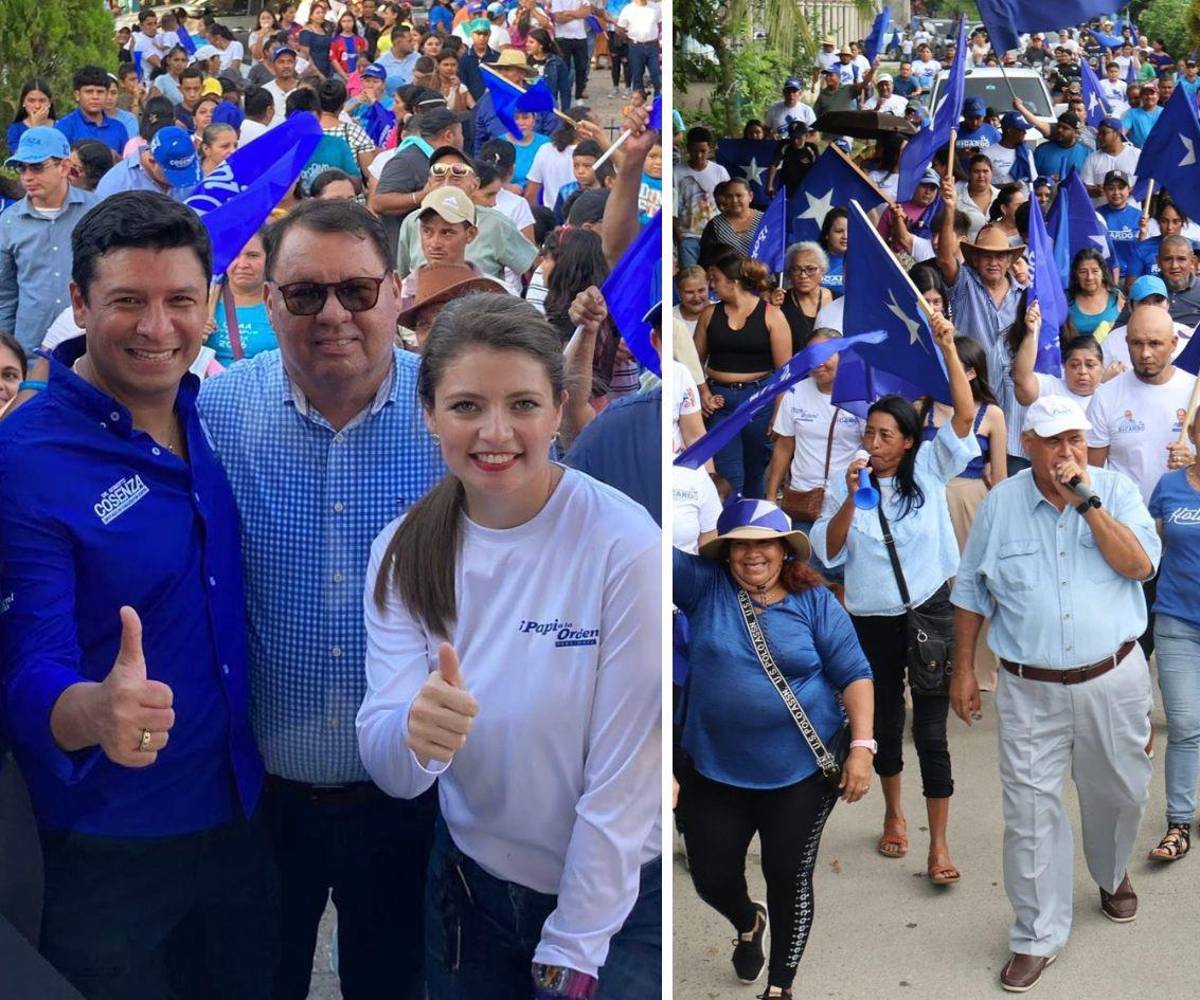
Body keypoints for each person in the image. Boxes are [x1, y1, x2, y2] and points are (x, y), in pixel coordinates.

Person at [0, 190, 274, 998]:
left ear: (209, 301)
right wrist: (90, 710)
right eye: (128, 302)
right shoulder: (25, 459)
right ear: (79, 303)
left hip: (241, 827)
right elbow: (25, 662)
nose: (158, 328)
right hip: (108, 850)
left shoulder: (212, 412)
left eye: (180, 301)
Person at [358, 292, 659, 999]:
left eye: (523, 404)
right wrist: (414, 734)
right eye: (466, 406)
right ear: (428, 413)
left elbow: (624, 781)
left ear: (561, 408)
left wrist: (573, 950)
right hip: (468, 892)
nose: (496, 432)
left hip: (616, 908)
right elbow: (393, 772)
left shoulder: (624, 546)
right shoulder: (401, 553)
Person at [196, 199, 444, 999]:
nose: (333, 313)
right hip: (259, 803)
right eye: (305, 294)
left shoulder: (457, 417)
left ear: (397, 291)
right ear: (268, 302)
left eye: (358, 291)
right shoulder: (215, 411)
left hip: (411, 803)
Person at [950, 394, 1160, 994]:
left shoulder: (1114, 493)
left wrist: (1087, 503)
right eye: (1053, 440)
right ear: (1029, 445)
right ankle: (1036, 934)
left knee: (1119, 793)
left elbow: (1141, 567)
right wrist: (964, 670)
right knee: (1030, 814)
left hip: (1112, 680)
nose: (1066, 451)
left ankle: (1111, 871)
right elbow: (971, 592)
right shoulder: (1000, 505)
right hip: (1027, 686)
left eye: (1074, 438)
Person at [673, 498, 874, 1000]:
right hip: (714, 767)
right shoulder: (703, 586)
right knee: (710, 876)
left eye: (762, 542)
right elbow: (643, 543)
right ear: (724, 553)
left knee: (788, 873)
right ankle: (747, 919)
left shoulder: (816, 602)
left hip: (801, 769)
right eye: (739, 545)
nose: (751, 554)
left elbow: (855, 675)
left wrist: (863, 748)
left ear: (785, 549)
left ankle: (780, 988)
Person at [810, 311, 981, 887]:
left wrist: (946, 347)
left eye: (886, 435)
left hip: (929, 613)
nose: (874, 443)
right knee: (882, 721)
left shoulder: (931, 468)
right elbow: (828, 554)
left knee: (931, 734)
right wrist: (849, 498)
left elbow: (964, 413)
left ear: (909, 441)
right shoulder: (847, 481)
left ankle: (939, 846)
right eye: (870, 433)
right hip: (871, 621)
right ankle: (893, 811)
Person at [1146, 411, 1200, 862]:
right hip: (1177, 620)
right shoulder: (1169, 487)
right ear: (1194, 433)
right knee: (1184, 725)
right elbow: (1149, 542)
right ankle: (1178, 823)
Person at [693, 250, 792, 498]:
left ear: (733, 282)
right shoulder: (709, 314)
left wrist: (779, 412)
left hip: (760, 400)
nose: (712, 285)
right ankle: (729, 527)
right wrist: (702, 393)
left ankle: (751, 529)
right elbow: (694, 362)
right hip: (719, 400)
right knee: (728, 473)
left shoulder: (772, 315)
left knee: (756, 469)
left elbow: (785, 372)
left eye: (715, 279)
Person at [0, 128, 99, 355]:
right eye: (22, 168)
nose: (27, 177)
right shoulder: (9, 221)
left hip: (86, 347)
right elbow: (5, 296)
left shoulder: (95, 210)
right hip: (30, 348)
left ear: (64, 167)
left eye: (37, 167)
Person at [764, 324, 864, 539]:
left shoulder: (861, 396)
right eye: (811, 355)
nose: (818, 362)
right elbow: (784, 447)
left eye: (826, 355)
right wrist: (771, 497)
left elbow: (871, 448)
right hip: (803, 500)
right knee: (806, 568)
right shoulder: (795, 392)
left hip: (846, 499)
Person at [937, 181, 1024, 352]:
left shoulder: (1022, 294)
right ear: (975, 260)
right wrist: (949, 209)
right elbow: (945, 259)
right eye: (987, 256)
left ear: (1008, 262)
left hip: (1011, 378)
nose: (993, 263)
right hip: (971, 376)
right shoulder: (964, 283)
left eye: (999, 257)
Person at [206, 229, 277, 367]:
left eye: (253, 255)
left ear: (269, 259)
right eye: (234, 255)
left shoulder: (282, 303)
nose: (242, 264)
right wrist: (195, 338)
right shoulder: (203, 300)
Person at [674, 126, 729, 268]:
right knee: (690, 277)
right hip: (687, 236)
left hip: (715, 235)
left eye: (703, 151)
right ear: (687, 149)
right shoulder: (676, 172)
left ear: (710, 148)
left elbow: (727, 204)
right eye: (694, 151)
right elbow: (671, 208)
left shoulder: (719, 172)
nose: (699, 155)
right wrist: (679, 237)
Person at [55, 66, 128, 155]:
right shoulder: (64, 127)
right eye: (89, 92)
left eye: (100, 92)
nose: (95, 97)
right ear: (77, 95)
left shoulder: (119, 128)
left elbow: (126, 163)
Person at [775, 242, 833, 351]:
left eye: (810, 269)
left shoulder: (839, 301)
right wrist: (774, 309)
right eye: (796, 269)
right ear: (789, 273)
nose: (803, 275)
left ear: (822, 270)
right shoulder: (780, 302)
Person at [698, 178, 762, 267]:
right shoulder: (715, 225)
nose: (734, 200)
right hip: (727, 279)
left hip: (760, 276)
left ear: (750, 196)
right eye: (729, 196)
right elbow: (705, 260)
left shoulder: (765, 220)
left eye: (739, 195)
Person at [1068, 247, 1124, 336]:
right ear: (1076, 275)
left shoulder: (1116, 296)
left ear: (1103, 273)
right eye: (1083, 272)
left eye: (1095, 271)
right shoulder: (1067, 299)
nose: (1089, 277)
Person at [549, 0, 591, 101]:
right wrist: (577, 13)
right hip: (563, 37)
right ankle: (563, 95)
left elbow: (586, 13)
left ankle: (579, 95)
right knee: (564, 68)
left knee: (582, 67)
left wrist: (568, 12)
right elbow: (558, 18)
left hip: (580, 36)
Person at [618, 0, 661, 95]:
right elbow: (620, 28)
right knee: (637, 76)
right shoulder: (628, 9)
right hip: (636, 47)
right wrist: (628, 40)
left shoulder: (655, 7)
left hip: (652, 46)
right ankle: (639, 106)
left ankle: (658, 102)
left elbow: (660, 23)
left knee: (656, 74)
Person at [1032, 112, 1090, 182]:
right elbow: (1031, 180)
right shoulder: (1041, 150)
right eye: (1058, 126)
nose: (1060, 130)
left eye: (1065, 128)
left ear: (1075, 133)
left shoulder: (1086, 153)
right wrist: (1048, 180)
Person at [6, 79, 57, 154]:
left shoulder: (61, 126)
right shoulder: (15, 129)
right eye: (31, 101)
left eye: (42, 100)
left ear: (49, 102)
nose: (37, 106)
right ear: (23, 102)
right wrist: (35, 127)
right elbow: (21, 157)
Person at [955, 153, 997, 240]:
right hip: (967, 252)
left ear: (991, 173)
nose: (981, 176)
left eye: (985, 171)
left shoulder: (1001, 196)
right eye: (976, 171)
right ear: (969, 174)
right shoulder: (957, 199)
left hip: (999, 251)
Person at [299, 0, 335, 78]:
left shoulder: (325, 31)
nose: (321, 15)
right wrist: (318, 74)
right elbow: (305, 56)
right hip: (314, 72)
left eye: (322, 13)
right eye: (317, 13)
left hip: (328, 70)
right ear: (311, 16)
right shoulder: (306, 32)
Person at [818, 207, 847, 296]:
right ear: (827, 234)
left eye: (851, 231)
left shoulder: (864, 262)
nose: (845, 236)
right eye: (839, 231)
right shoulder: (814, 260)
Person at [1122, 82, 1162, 147]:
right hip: (1139, 153)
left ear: (1158, 96)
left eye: (1152, 94)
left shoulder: (1165, 112)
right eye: (1146, 94)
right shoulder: (1131, 113)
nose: (1149, 96)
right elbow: (1122, 132)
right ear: (1141, 97)